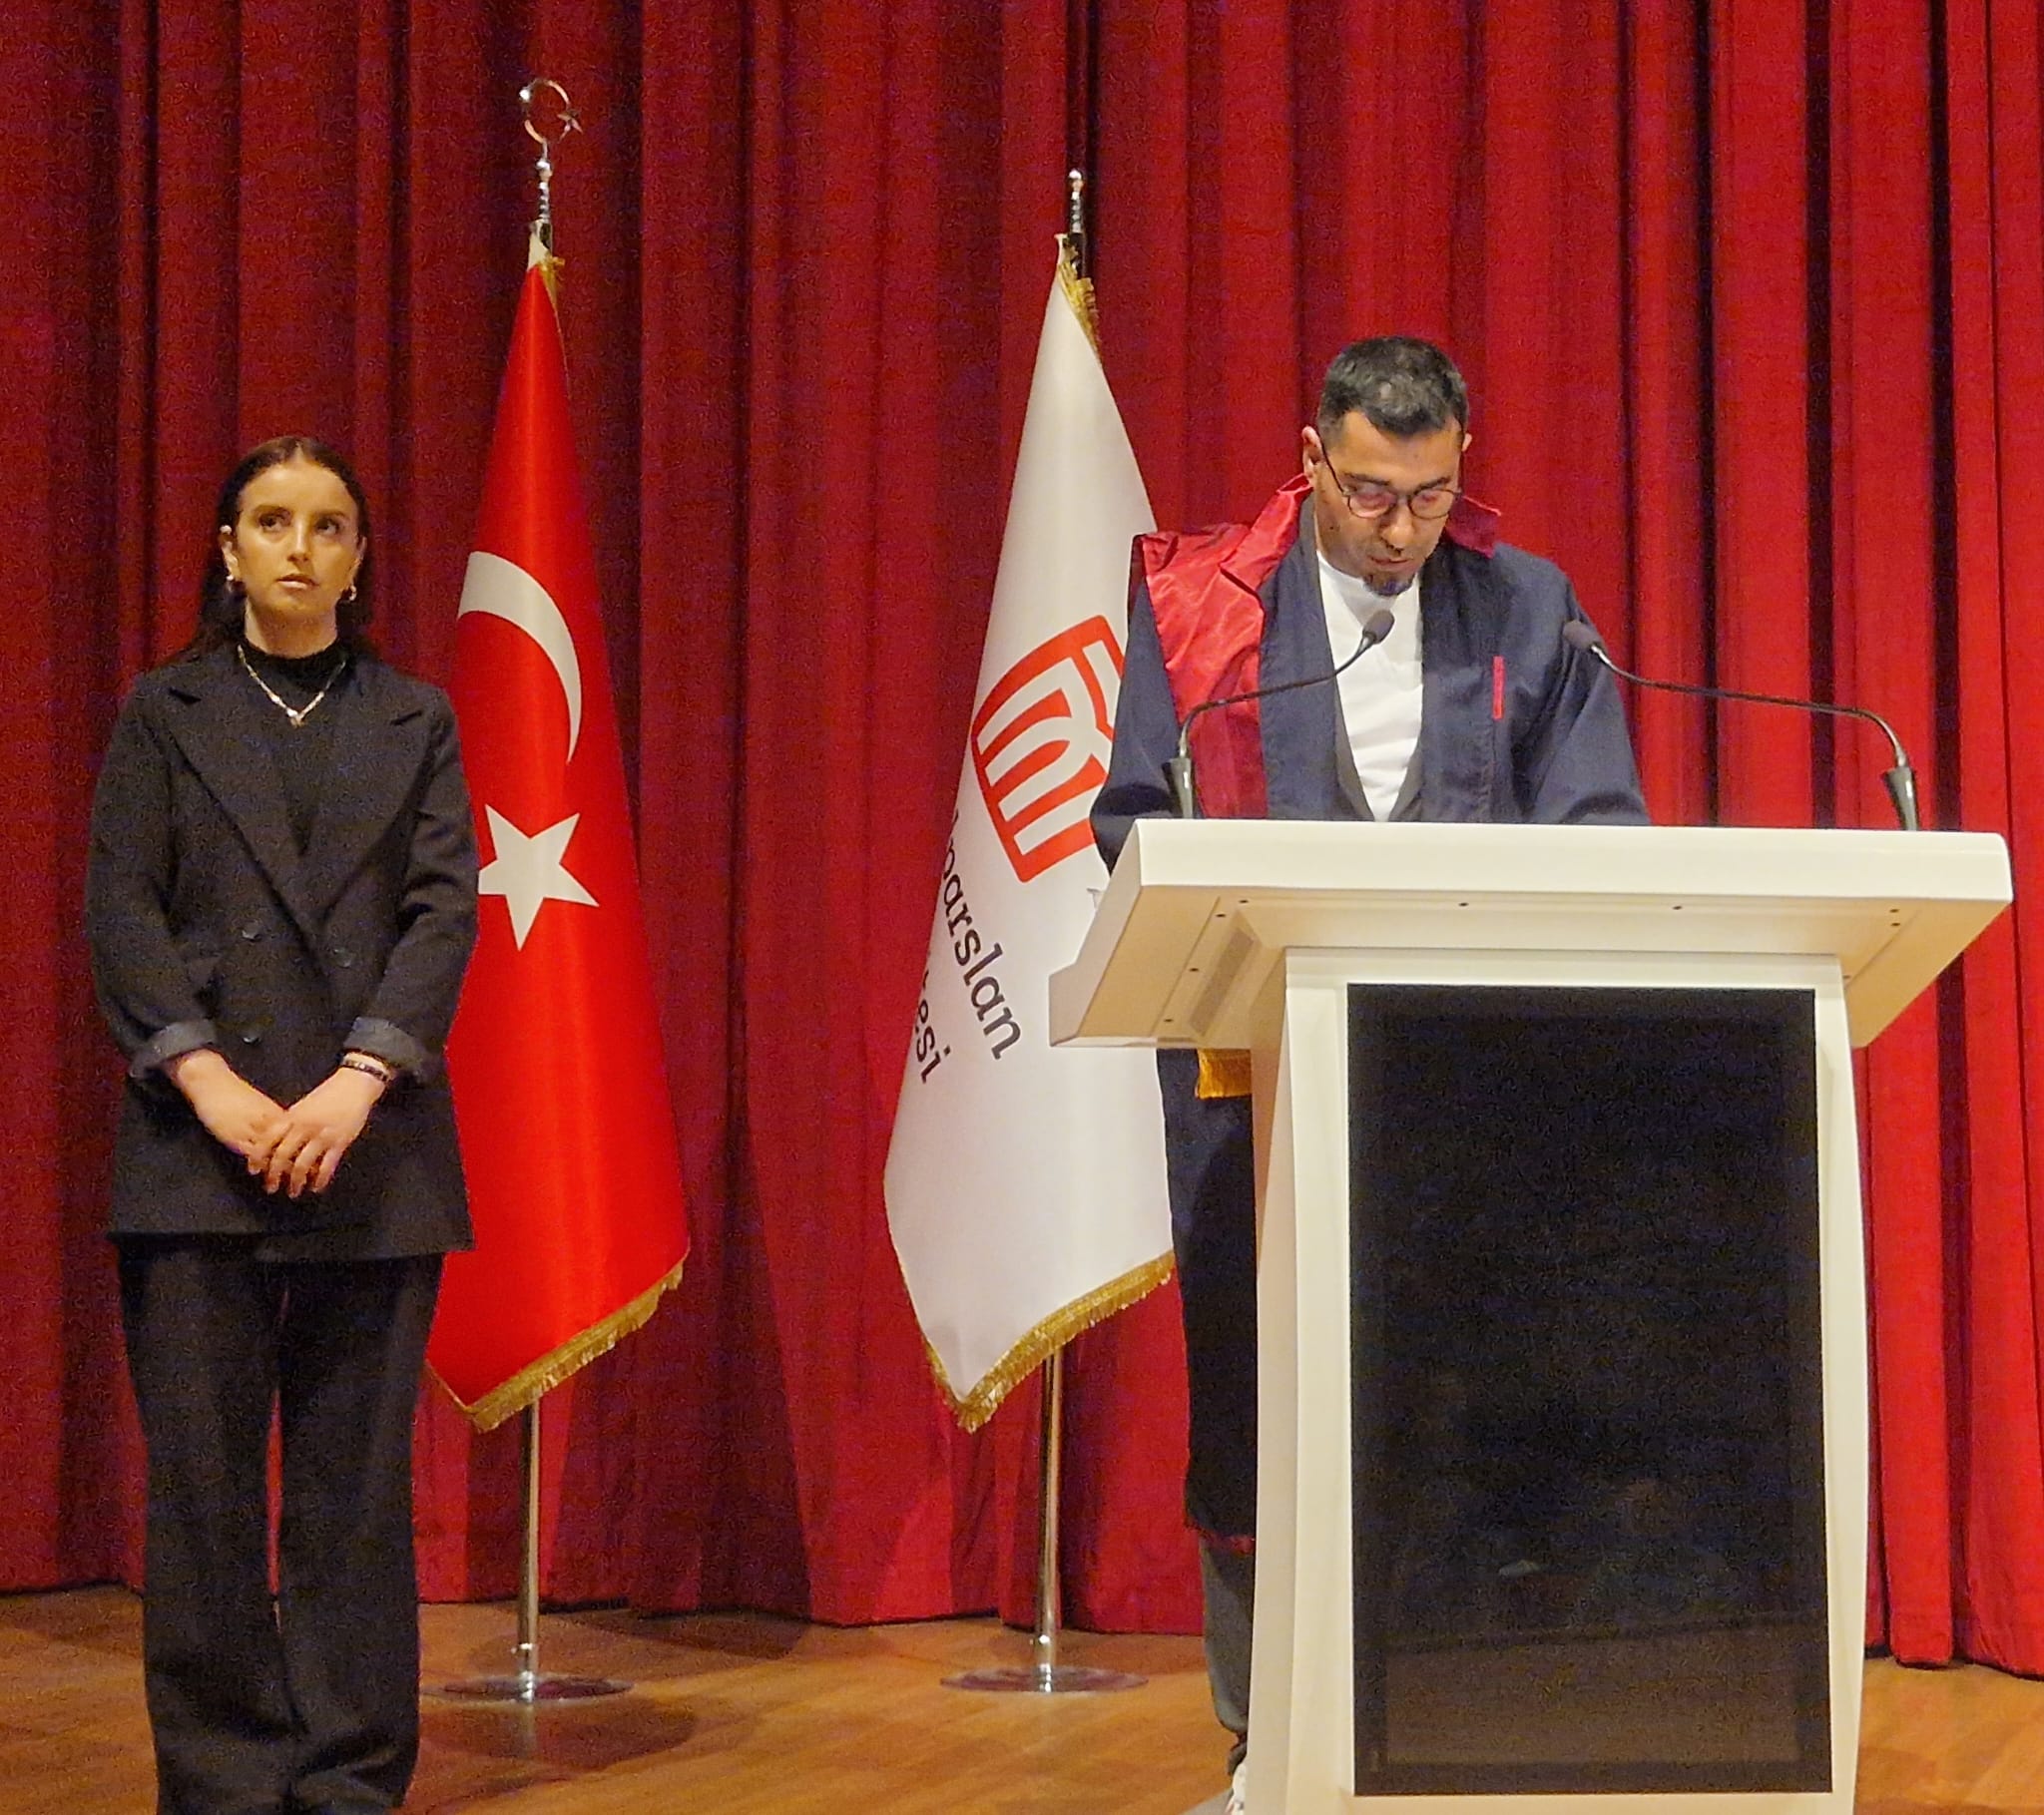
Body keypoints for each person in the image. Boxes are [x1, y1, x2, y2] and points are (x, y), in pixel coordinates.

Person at [1090, 337, 1647, 1811]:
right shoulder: (1201, 609)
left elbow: (1601, 823)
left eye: (1431, 495)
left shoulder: (1528, 608)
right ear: (1312, 458)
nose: (1401, 529)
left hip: (1477, 1090)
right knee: (1257, 1398)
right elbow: (1134, 814)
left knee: (1473, 1401)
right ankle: (1263, 1746)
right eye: (1371, 493)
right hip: (1256, 1079)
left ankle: (1461, 1739)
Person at [86, 436, 479, 1814]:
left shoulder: (415, 716)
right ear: (228, 547)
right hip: (197, 1152)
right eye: (270, 521)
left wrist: (357, 1083)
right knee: (202, 1495)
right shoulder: (166, 709)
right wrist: (207, 1080)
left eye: (327, 525)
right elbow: (122, 910)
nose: (299, 547)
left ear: (359, 557)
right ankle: (222, 1780)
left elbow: (442, 914)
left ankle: (348, 1776)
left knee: (354, 1494)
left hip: (370, 1151)